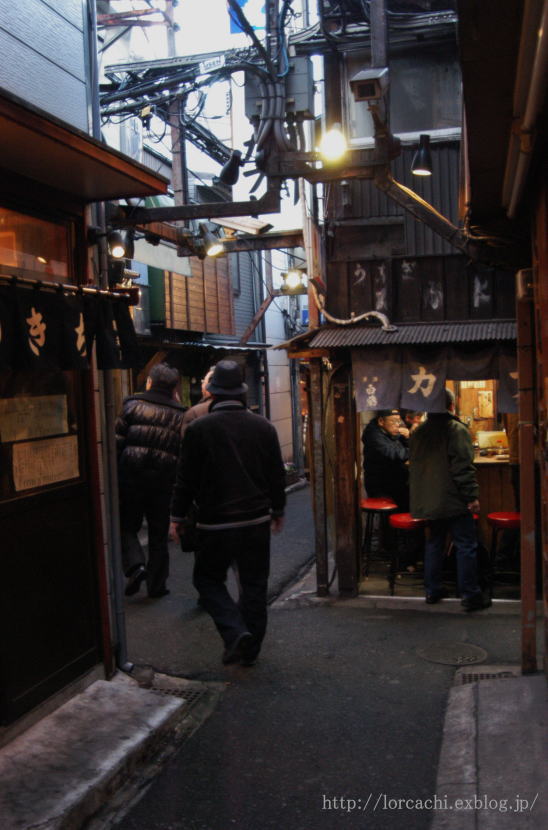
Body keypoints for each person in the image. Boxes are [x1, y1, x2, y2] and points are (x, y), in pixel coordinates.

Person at [169, 360, 286, 666]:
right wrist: (279, 509)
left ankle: (235, 632)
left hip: (215, 524)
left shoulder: (198, 429)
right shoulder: (263, 427)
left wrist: (176, 517)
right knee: (254, 585)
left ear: (214, 393)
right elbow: (276, 473)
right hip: (256, 520)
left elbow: (185, 480)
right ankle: (250, 648)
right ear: (242, 392)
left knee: (207, 580)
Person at [409, 388, 491, 611]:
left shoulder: (418, 432)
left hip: (429, 500)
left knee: (434, 543)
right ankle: (470, 595)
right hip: (454, 499)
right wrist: (471, 496)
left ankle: (432, 591)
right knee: (465, 544)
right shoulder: (456, 429)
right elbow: (462, 468)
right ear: (451, 406)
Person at [116, 363, 186, 598]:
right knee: (158, 535)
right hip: (163, 483)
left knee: (126, 526)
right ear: (174, 387)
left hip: (131, 478)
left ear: (149, 382)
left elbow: (117, 440)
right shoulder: (180, 414)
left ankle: (136, 566)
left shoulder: (132, 405)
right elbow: (182, 453)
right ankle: (157, 586)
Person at [362, 409, 410, 510]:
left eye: (399, 421)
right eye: (393, 421)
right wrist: (414, 453)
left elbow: (402, 450)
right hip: (380, 485)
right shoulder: (374, 436)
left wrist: (407, 438)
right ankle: (393, 524)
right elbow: (393, 454)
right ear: (381, 421)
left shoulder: (392, 432)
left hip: (394, 479)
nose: (397, 424)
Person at [180, 366, 215, 436]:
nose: (202, 385)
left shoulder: (194, 413)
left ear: (208, 386)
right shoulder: (240, 411)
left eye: (203, 382)